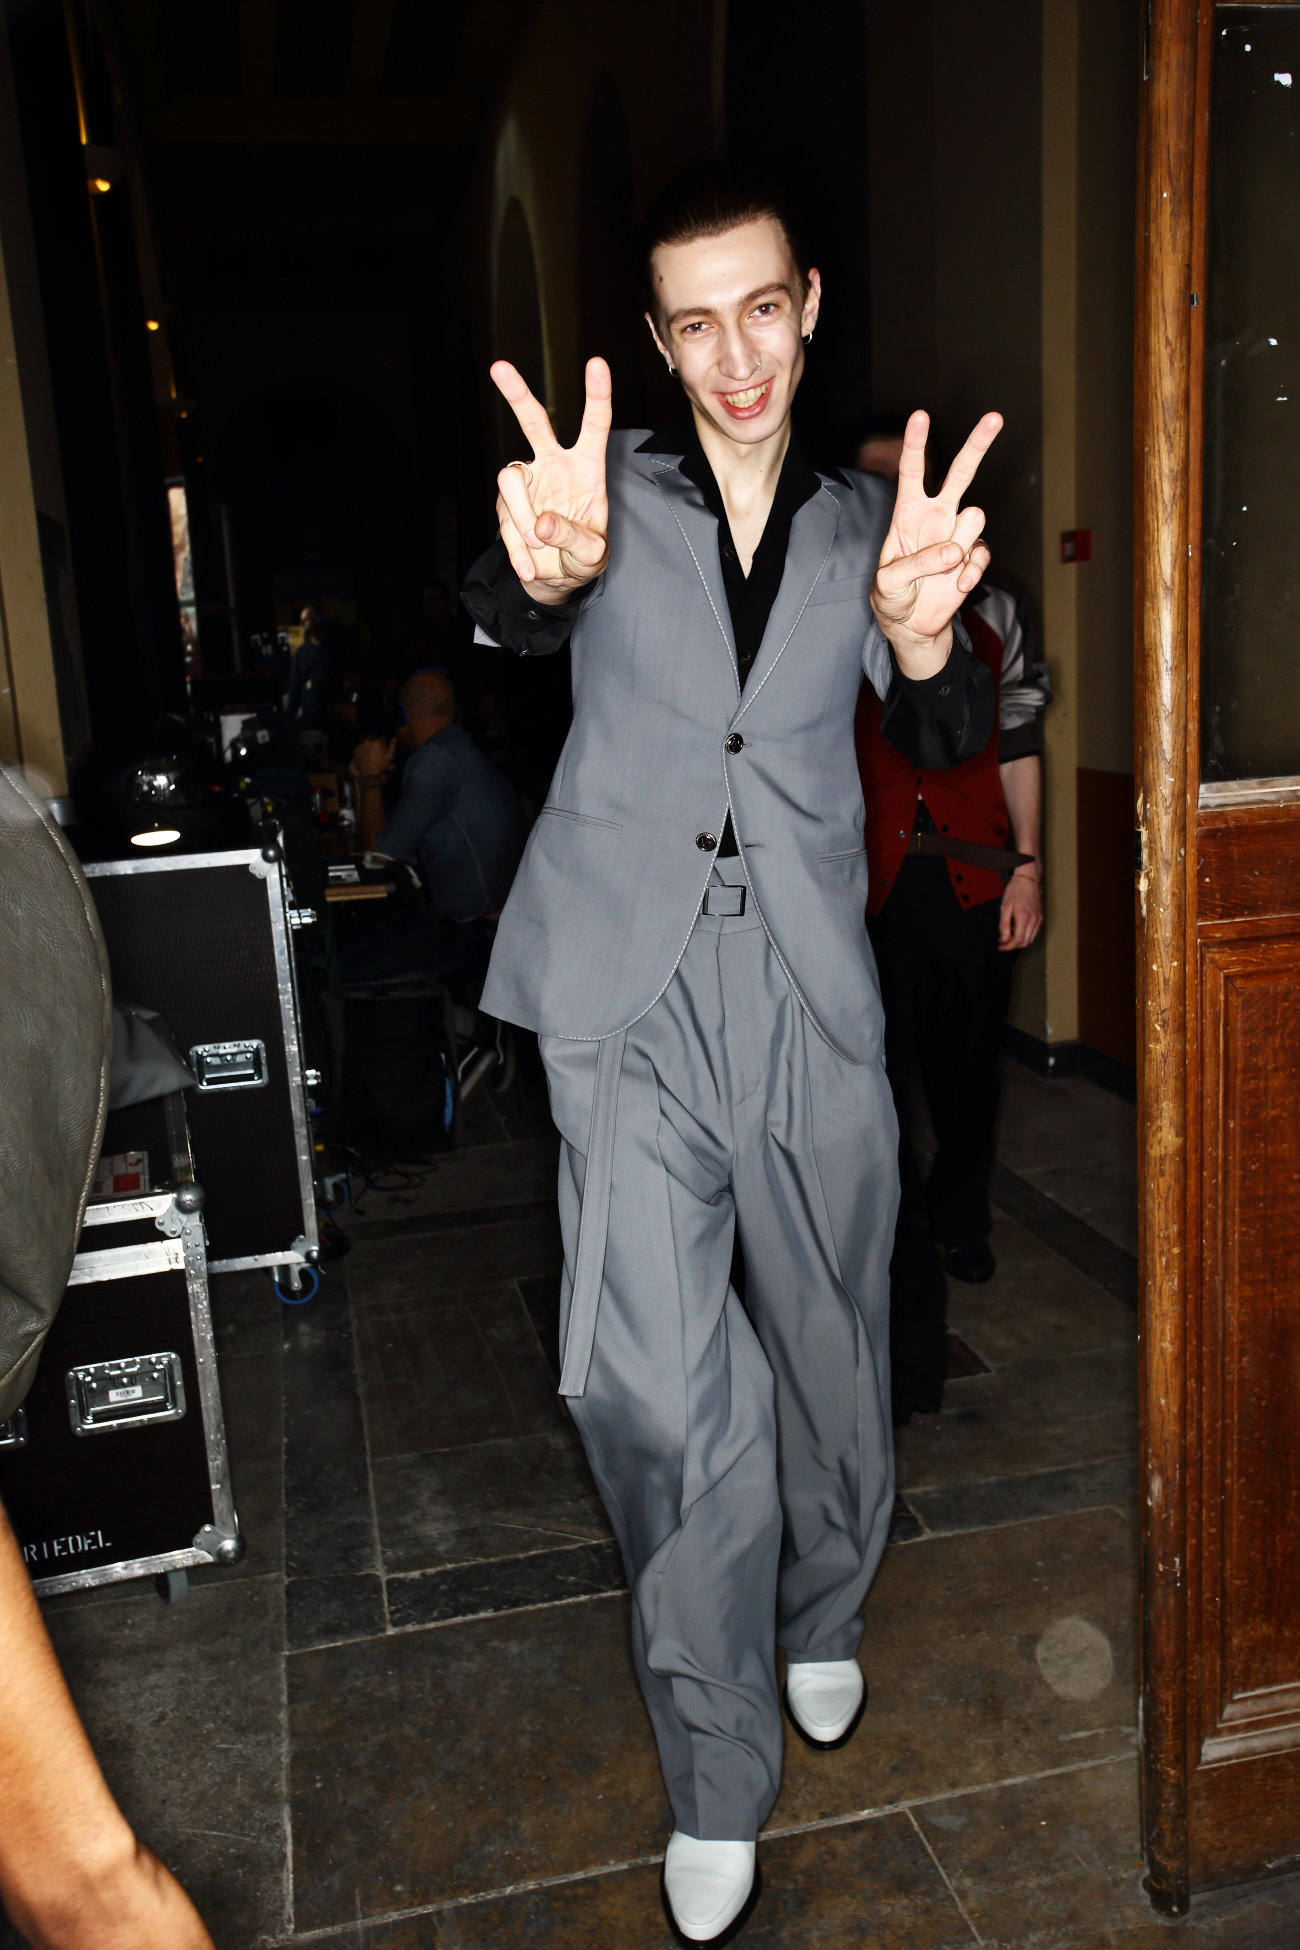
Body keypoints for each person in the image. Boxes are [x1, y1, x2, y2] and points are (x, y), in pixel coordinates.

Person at [461, 160, 1002, 1944]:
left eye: (762, 308)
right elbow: (517, 602)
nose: (735, 354)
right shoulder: (599, 497)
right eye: (695, 322)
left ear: (810, 305)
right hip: (622, 993)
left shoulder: (867, 525)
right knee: (659, 1389)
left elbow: (933, 706)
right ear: (656, 339)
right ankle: (714, 1764)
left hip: (811, 992)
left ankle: (824, 1601)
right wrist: (526, 583)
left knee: (836, 1350)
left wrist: (929, 644)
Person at [854, 439, 1050, 1424]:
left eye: (915, 475)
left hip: (972, 872)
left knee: (967, 1070)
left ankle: (960, 1220)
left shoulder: (999, 604)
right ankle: (889, 1250)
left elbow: (1018, 742)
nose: (902, 493)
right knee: (877, 1076)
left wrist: (1028, 863)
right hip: (869, 882)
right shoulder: (836, 594)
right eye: (881, 478)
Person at [344, 666, 525, 981]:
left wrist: (370, 778)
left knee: (351, 966)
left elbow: (378, 855)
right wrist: (366, 779)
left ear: (402, 713)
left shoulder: (436, 763)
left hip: (479, 936)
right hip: (494, 926)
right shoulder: (454, 752)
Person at [285, 604, 338, 749]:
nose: (304, 625)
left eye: (307, 619)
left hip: (332, 720)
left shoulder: (333, 650)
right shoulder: (301, 653)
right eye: (302, 621)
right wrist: (289, 718)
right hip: (310, 721)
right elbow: (295, 686)